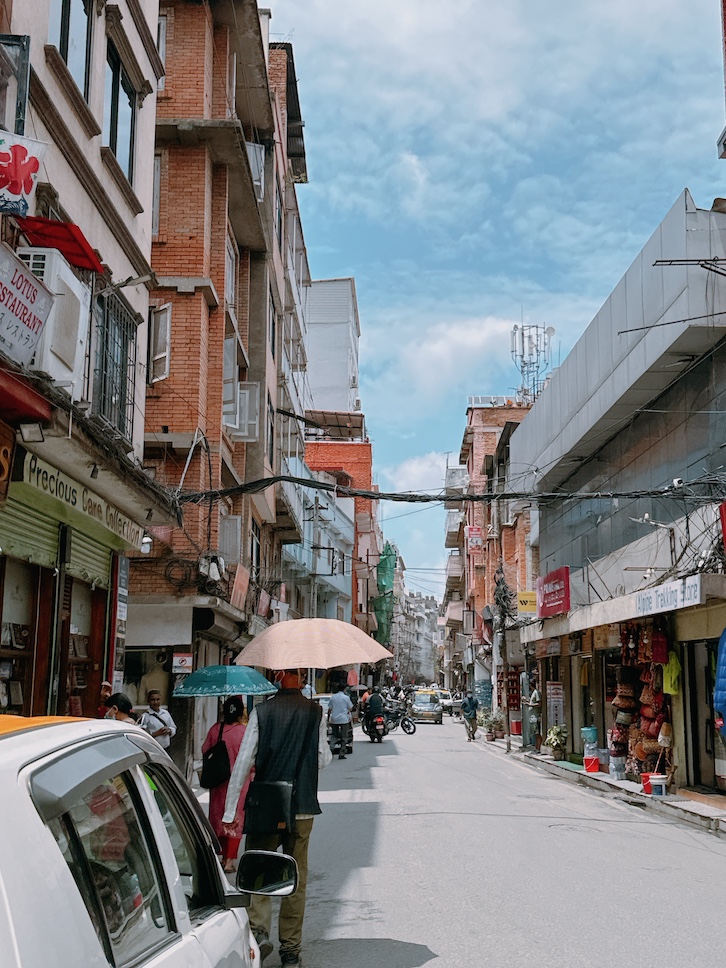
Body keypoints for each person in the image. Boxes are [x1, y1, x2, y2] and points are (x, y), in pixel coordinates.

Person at [222, 670, 332, 967]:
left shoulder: (262, 711)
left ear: (279, 675)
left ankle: (259, 933)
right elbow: (323, 759)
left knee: (260, 871)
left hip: (267, 807)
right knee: (297, 877)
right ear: (301, 677)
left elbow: (244, 761)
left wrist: (230, 812)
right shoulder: (315, 712)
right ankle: (291, 950)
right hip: (303, 807)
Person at [202, 696, 251, 873]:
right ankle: (229, 860)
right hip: (239, 783)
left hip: (218, 781)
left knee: (218, 818)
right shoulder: (245, 733)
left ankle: (222, 857)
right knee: (235, 818)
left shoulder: (216, 729)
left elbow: (205, 749)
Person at [327, 682, 353, 759]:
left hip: (334, 719)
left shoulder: (333, 697)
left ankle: (331, 749)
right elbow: (350, 708)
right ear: (344, 689)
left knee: (334, 735)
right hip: (344, 720)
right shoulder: (346, 698)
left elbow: (329, 709)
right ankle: (341, 753)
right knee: (344, 737)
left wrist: (329, 719)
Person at [528, 674, 542, 751]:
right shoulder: (533, 692)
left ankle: (538, 748)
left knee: (537, 733)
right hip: (533, 717)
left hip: (536, 716)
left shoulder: (536, 692)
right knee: (534, 733)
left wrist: (529, 704)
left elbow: (539, 704)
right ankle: (536, 748)